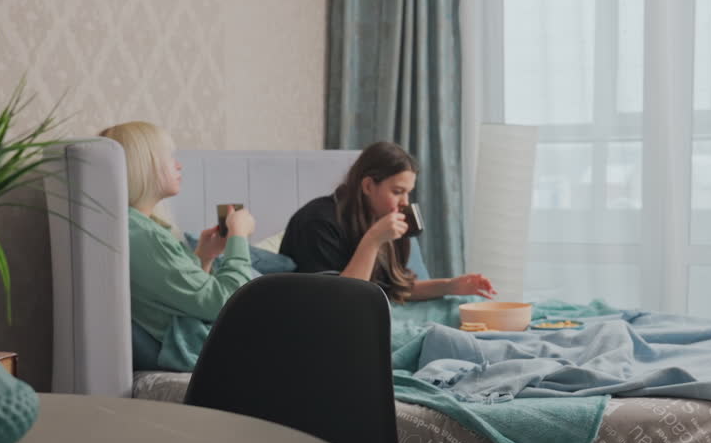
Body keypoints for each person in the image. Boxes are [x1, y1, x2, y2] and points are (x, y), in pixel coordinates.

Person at [279, 140, 497, 303]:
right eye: (397, 191)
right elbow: (341, 301)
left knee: (466, 309)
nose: (405, 202)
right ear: (368, 186)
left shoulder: (379, 216)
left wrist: (450, 286)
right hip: (330, 321)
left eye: (408, 193)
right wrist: (373, 240)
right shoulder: (317, 222)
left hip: (376, 308)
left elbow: (396, 289)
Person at [99, 121, 257, 343]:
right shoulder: (143, 235)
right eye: (169, 157)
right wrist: (238, 235)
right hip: (206, 351)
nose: (179, 165)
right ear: (145, 166)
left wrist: (203, 257)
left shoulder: (136, 227)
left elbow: (177, 297)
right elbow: (230, 303)